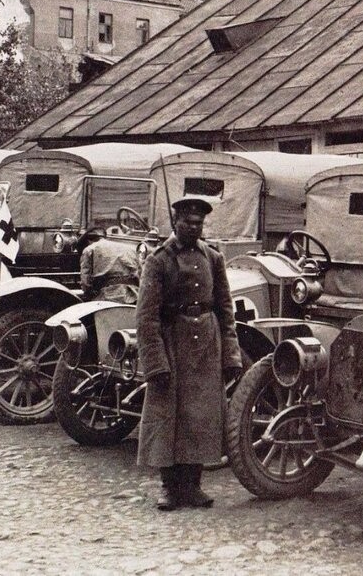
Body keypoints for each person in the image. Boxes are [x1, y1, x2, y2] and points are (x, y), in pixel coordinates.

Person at [135, 197, 244, 512]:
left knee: (201, 416)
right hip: (173, 343)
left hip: (206, 345)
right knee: (168, 415)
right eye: (188, 222)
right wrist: (155, 362)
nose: (194, 227)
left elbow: (225, 309)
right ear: (176, 222)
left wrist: (231, 355)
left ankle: (193, 486)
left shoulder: (213, 258)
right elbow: (146, 316)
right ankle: (169, 487)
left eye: (199, 223)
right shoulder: (159, 260)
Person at [80, 228, 141, 303]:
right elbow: (139, 273)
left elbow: (85, 281)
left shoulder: (89, 249)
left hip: (107, 296)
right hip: (132, 294)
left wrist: (88, 294)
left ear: (88, 241)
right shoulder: (129, 248)